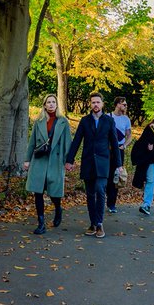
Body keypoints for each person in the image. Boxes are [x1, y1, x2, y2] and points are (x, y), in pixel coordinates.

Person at [65, 92, 121, 238]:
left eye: (98, 102)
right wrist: (69, 160)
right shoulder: (85, 121)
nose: (95, 105)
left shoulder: (109, 121)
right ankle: (93, 223)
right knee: (90, 194)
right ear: (90, 104)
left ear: (102, 104)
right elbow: (76, 141)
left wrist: (119, 164)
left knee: (100, 190)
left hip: (103, 162)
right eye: (93, 102)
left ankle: (100, 223)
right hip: (88, 162)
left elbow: (115, 143)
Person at [23, 93, 72, 235]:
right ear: (44, 105)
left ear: (57, 105)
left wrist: (68, 161)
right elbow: (32, 142)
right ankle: (41, 223)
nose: (51, 104)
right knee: (37, 192)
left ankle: (58, 208)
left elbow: (68, 142)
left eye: (53, 102)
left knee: (54, 193)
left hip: (56, 161)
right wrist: (27, 159)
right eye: (48, 102)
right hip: (39, 160)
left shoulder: (63, 122)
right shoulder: (39, 121)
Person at [106, 96, 133, 214]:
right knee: (107, 174)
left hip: (119, 150)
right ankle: (104, 197)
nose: (125, 106)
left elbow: (129, 135)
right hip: (107, 150)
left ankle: (112, 203)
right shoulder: (108, 117)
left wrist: (125, 145)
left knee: (117, 176)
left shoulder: (126, 119)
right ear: (117, 104)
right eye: (124, 104)